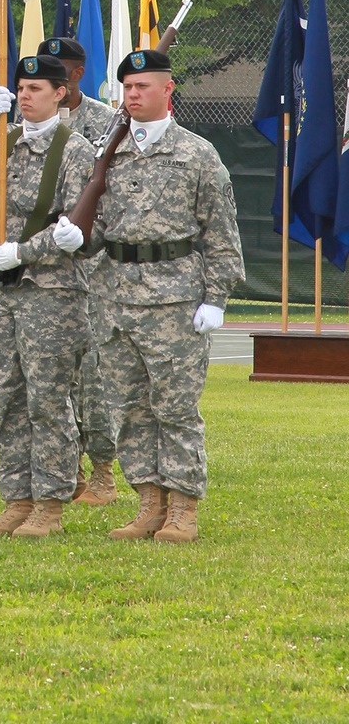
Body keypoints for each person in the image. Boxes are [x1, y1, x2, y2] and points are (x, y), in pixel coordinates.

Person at [87, 49, 244, 543]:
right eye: (127, 89)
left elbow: (221, 233)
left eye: (142, 87)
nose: (133, 96)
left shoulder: (197, 153)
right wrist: (77, 236)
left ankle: (183, 510)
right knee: (128, 406)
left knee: (175, 408)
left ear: (167, 90)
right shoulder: (106, 152)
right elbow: (95, 226)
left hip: (174, 300)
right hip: (115, 297)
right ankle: (148, 505)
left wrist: (216, 297)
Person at [0, 55, 93, 538]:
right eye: (21, 87)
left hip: (49, 291)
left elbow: (76, 222)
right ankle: (17, 499)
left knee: (47, 399)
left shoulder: (76, 151)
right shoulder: (4, 141)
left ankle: (51, 504)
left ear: (61, 93)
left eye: (36, 87)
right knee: (7, 397)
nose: (25, 95)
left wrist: (24, 251)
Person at [37, 36, 118, 507]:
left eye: (62, 72)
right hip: (41, 270)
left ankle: (103, 470)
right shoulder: (28, 124)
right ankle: (65, 472)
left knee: (92, 376)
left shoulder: (106, 124)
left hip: (91, 271)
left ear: (77, 75)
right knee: (51, 378)